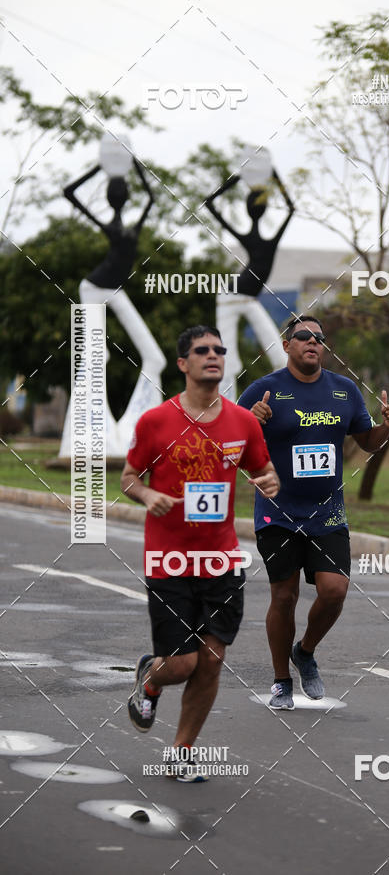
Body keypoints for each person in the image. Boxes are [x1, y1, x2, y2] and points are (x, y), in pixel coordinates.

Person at [122, 324, 279, 781]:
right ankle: (151, 678)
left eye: (219, 350)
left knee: (211, 660)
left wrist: (270, 482)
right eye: (202, 350)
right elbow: (130, 477)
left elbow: (263, 469)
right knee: (182, 663)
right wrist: (148, 496)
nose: (214, 355)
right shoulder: (156, 422)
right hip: (168, 558)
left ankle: (182, 752)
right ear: (183, 364)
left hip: (222, 559)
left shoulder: (243, 421)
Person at [238, 315, 389, 709]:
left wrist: (387, 427)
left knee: (334, 591)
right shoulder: (264, 391)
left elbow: (367, 443)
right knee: (284, 596)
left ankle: (305, 651)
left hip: (327, 513)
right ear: (287, 343)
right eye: (304, 336)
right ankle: (280, 682)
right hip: (277, 513)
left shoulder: (344, 391)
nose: (313, 342)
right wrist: (251, 425)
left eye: (319, 338)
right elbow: (229, 446)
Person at [60, 158, 166, 457]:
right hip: (93, 288)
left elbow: (153, 197)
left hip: (114, 290)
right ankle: (84, 438)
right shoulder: (111, 227)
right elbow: (70, 192)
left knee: (155, 358)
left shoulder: (130, 224)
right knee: (95, 357)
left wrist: (130, 164)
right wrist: (102, 167)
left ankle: (137, 434)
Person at [204, 170, 295, 399]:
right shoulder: (261, 239)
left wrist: (271, 174)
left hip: (248, 298)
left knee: (281, 359)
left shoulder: (261, 239)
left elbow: (292, 210)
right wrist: (253, 176)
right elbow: (209, 204)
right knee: (228, 361)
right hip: (229, 297)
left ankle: (274, 408)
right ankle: (228, 414)